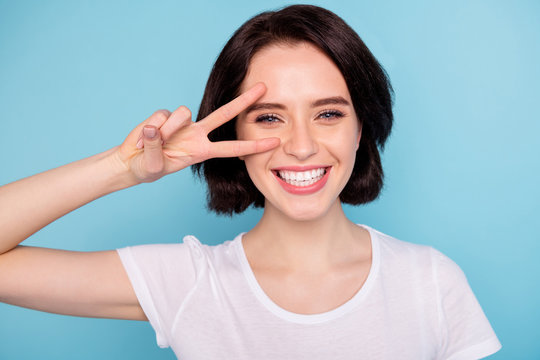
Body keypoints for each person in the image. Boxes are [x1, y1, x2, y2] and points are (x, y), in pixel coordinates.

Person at [0, 4, 501, 359]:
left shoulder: (431, 281)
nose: (301, 146)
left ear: (361, 128)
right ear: (230, 134)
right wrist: (120, 168)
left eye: (328, 113)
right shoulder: (189, 284)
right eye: (268, 118)